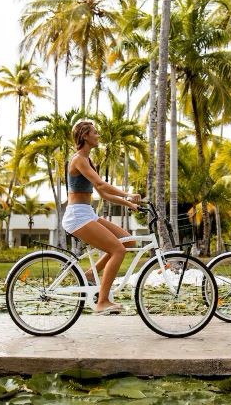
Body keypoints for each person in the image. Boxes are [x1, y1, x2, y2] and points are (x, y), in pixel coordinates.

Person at [64, 120, 141, 314]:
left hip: (87, 212)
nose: (98, 136)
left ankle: (90, 274)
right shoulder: (78, 159)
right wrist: (127, 194)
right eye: (95, 133)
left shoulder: (88, 161)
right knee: (118, 250)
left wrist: (129, 204)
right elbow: (100, 184)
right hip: (77, 216)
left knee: (128, 242)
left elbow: (104, 195)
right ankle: (103, 301)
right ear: (84, 136)